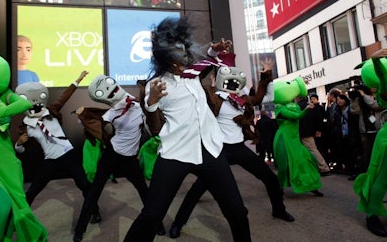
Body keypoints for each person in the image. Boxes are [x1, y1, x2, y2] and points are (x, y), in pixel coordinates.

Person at [123, 16, 252, 242]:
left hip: (210, 150)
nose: (184, 56)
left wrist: (215, 50)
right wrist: (152, 102)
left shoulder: (192, 74)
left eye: (184, 50)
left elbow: (207, 60)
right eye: (177, 53)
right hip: (176, 154)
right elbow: (154, 130)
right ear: (166, 58)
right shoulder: (156, 85)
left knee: (238, 212)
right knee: (151, 215)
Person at [168, 46, 294, 239]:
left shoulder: (241, 99)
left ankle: (278, 209)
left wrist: (267, 73)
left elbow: (260, 97)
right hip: (219, 151)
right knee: (198, 189)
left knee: (270, 178)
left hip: (238, 148)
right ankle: (178, 223)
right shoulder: (214, 98)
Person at [72, 75, 165, 242]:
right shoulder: (111, 112)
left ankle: (157, 225)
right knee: (94, 191)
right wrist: (84, 118)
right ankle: (80, 230)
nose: (111, 89)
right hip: (111, 155)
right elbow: (97, 123)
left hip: (130, 159)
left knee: (145, 192)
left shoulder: (139, 103)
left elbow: (151, 122)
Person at [14, 71, 101, 224]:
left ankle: (95, 212)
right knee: (34, 190)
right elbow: (21, 150)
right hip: (51, 159)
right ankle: (21, 219)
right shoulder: (26, 126)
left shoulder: (51, 111)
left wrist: (78, 79)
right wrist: (19, 143)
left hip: (68, 154)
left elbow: (65, 96)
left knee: (84, 185)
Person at [0, 49, 47, 242]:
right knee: (0, 206)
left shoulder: (3, 93)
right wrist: (4, 109)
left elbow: (24, 105)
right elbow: (18, 105)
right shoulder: (4, 97)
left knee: (17, 204)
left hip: (6, 161)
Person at [354, 48, 387, 237]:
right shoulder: (385, 85)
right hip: (386, 140)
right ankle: (372, 215)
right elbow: (383, 76)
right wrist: (375, 60)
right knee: (382, 178)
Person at [272, 77, 323, 197]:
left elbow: (297, 113)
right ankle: (278, 188)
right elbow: (295, 116)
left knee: (307, 160)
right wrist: (306, 110)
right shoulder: (279, 108)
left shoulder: (293, 105)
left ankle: (312, 185)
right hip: (283, 138)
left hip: (295, 139)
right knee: (284, 165)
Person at [297, 95, 330, 176]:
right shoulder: (312, 106)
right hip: (311, 131)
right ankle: (321, 167)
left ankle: (323, 168)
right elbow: (319, 119)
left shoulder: (297, 107)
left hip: (302, 132)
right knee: (312, 149)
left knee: (312, 150)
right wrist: (318, 130)